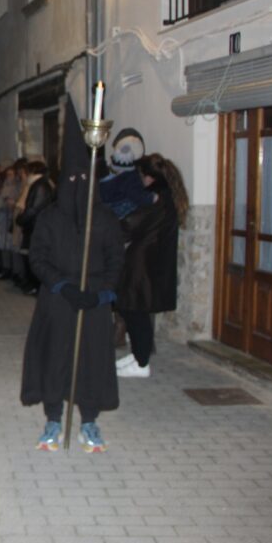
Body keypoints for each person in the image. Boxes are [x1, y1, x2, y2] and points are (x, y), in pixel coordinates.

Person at [21, 97, 124, 454]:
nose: (79, 185)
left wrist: (101, 293)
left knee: (91, 361)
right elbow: (37, 258)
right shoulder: (50, 218)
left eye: (85, 178)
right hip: (58, 300)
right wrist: (62, 285)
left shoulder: (106, 219)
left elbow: (116, 260)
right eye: (72, 179)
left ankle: (90, 421)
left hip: (93, 302)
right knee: (55, 358)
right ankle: (53, 418)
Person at [115, 153, 189, 378]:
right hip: (149, 260)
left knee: (135, 310)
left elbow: (132, 223)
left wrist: (113, 225)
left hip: (143, 263)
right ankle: (139, 354)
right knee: (134, 310)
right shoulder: (168, 196)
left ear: (149, 177)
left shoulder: (158, 199)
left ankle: (141, 361)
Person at [14, 160, 54, 295]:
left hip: (35, 225)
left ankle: (35, 285)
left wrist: (21, 218)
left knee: (34, 257)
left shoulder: (40, 185)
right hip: (32, 225)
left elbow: (34, 208)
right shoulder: (37, 184)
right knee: (27, 255)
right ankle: (30, 283)